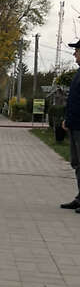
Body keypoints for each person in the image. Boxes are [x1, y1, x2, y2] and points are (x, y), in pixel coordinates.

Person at [61, 39, 80, 211]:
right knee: (77, 163)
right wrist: (68, 119)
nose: (74, 54)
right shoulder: (78, 73)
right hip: (75, 125)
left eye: (77, 51)